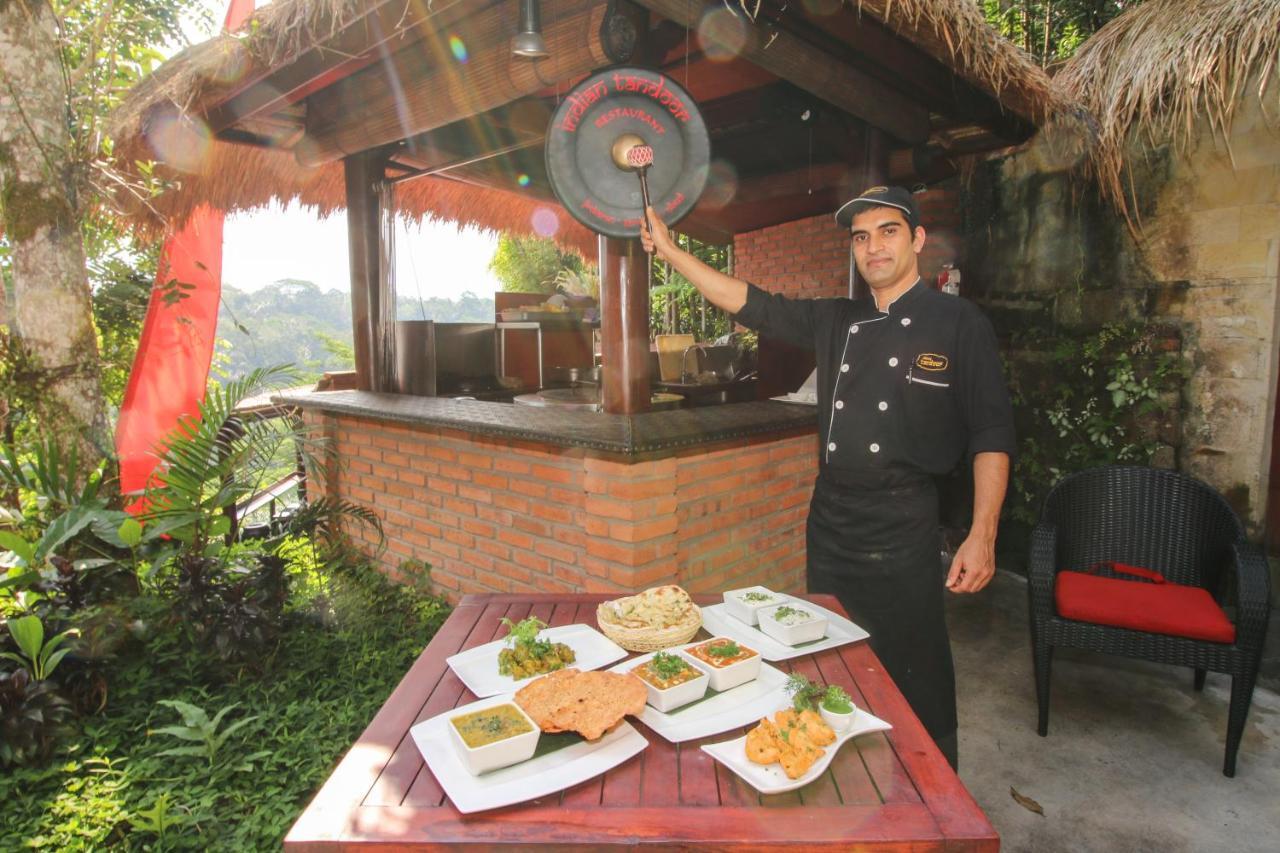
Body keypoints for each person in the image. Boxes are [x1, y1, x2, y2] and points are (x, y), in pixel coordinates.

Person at [639, 186, 1015, 769]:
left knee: (915, 667)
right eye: (861, 237)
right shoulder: (837, 319)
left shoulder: (958, 323)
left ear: (916, 240)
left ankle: (932, 788)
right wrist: (670, 252)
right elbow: (751, 303)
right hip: (834, 522)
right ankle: (840, 771)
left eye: (888, 231)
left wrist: (982, 532)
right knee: (828, 658)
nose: (873, 247)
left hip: (905, 523)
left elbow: (992, 433)